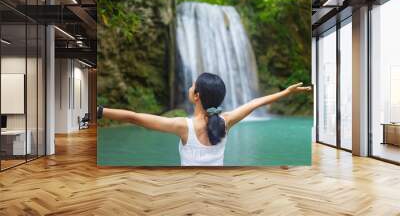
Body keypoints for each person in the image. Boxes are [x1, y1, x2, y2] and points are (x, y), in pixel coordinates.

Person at [97, 72, 311, 166]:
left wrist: (100, 111)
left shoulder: (183, 126)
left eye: (192, 86)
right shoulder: (226, 121)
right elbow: (256, 102)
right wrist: (286, 92)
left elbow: (134, 118)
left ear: (196, 95)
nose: (190, 88)